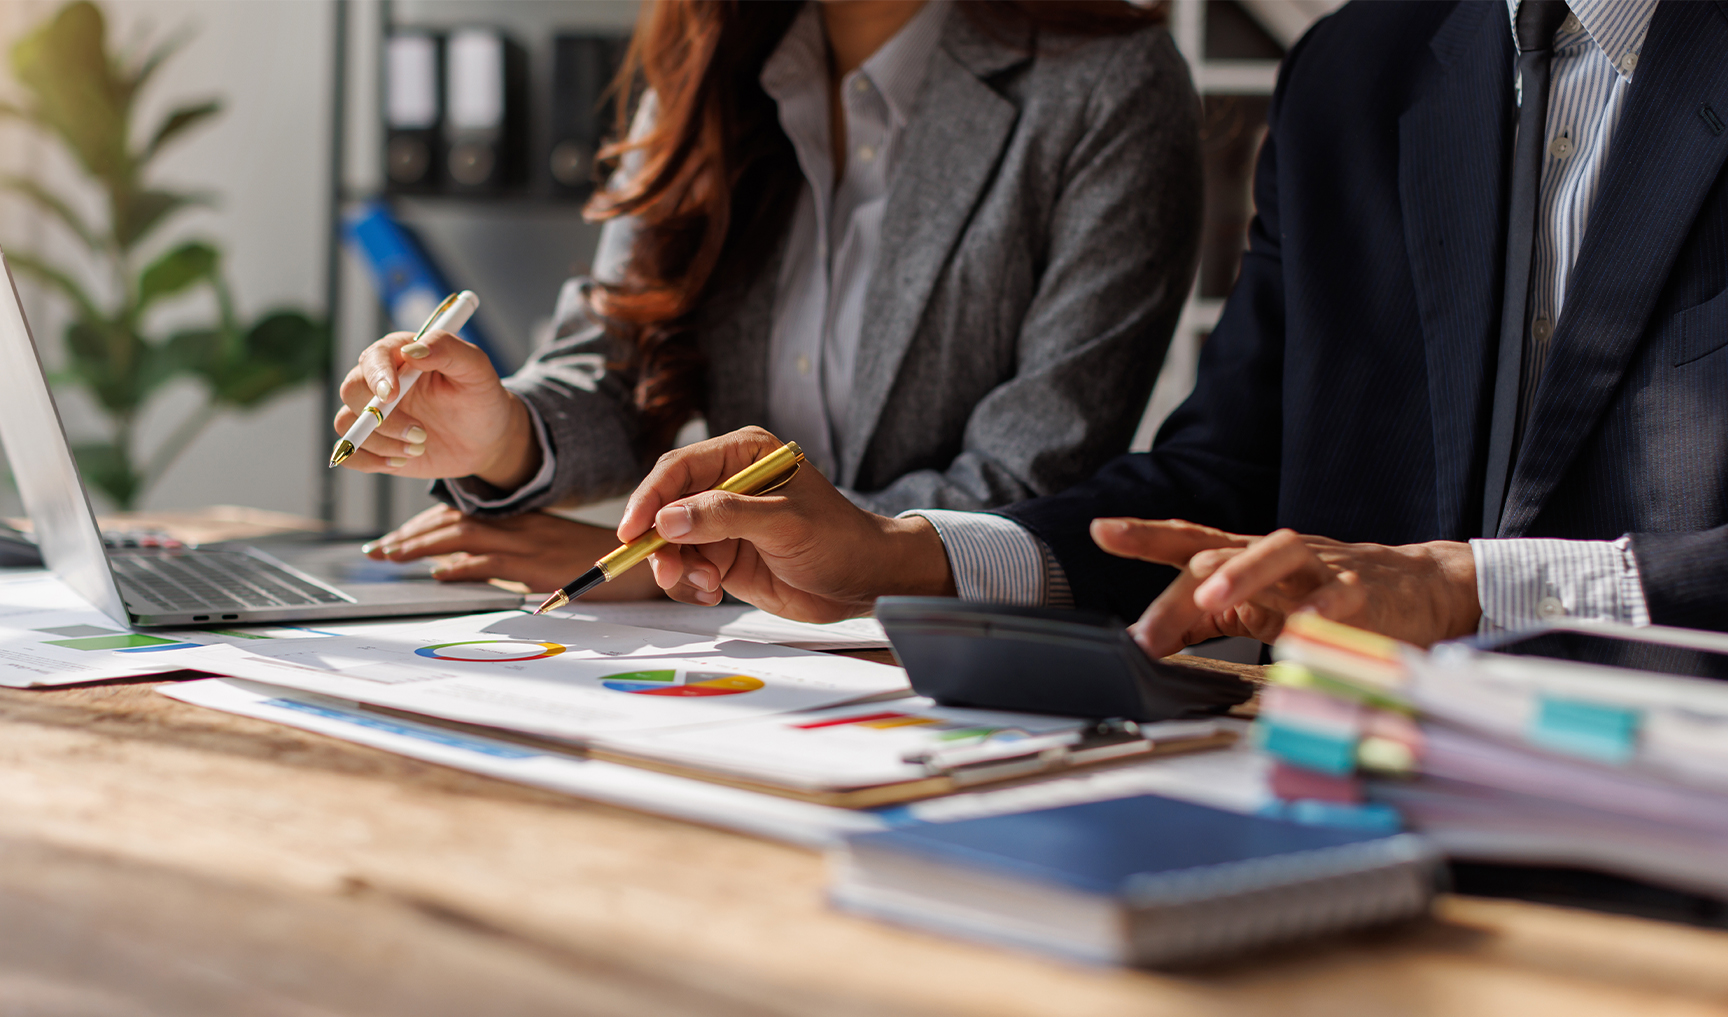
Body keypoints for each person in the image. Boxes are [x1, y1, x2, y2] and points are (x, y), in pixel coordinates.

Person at [612, 0, 1728, 650]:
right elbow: (1221, 479)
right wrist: (896, 554)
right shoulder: (1355, 75)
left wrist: (1484, 586)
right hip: (1342, 797)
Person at [332, 0, 1201, 599]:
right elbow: (618, 362)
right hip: (746, 666)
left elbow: (1027, 484)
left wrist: (674, 562)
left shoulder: (1107, 85)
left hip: (947, 669)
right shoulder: (711, 61)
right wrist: (503, 434)